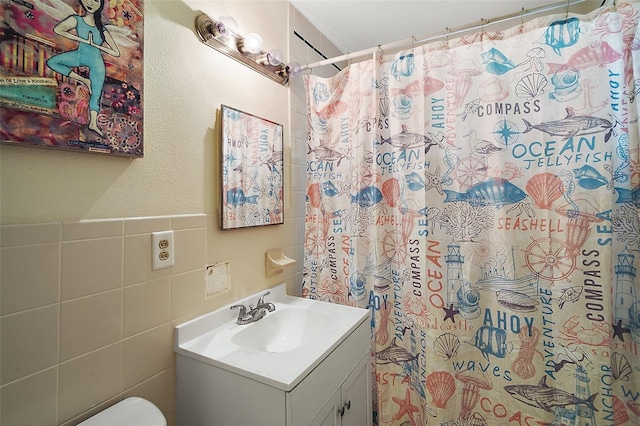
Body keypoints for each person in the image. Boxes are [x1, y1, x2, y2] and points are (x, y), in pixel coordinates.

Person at [47, 0, 120, 136]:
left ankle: (93, 123)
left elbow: (116, 52)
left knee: (96, 93)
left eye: (96, 0)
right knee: (52, 62)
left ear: (101, 4)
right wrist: (83, 41)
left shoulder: (101, 29)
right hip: (79, 55)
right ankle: (83, 80)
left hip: (96, 60)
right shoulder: (76, 20)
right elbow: (58, 29)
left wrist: (96, 45)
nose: (90, 3)